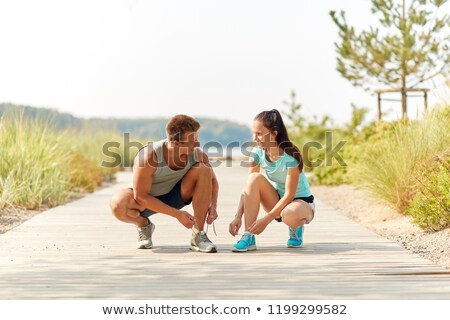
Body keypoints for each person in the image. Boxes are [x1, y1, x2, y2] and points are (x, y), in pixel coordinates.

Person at [110, 114, 219, 253]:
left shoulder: (198, 155)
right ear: (176, 143)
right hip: (147, 200)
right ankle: (144, 225)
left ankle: (198, 235)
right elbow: (141, 196)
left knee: (204, 170)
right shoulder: (149, 156)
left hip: (177, 195)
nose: (197, 145)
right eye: (192, 141)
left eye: (197, 139)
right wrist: (177, 214)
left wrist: (213, 205)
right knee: (117, 203)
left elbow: (213, 181)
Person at [229, 109, 315, 252]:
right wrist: (238, 216)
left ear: (274, 134)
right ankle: (248, 236)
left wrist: (265, 221)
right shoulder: (257, 153)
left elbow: (289, 195)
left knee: (290, 214)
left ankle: (296, 227)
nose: (254, 138)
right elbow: (248, 188)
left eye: (259, 134)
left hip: (301, 203)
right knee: (253, 178)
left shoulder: (291, 156)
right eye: (253, 133)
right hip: (277, 201)